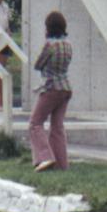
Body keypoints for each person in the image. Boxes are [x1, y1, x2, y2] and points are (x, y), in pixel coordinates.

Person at [29, 10, 73, 170]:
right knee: (57, 127)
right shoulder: (68, 45)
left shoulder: (50, 45)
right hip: (66, 87)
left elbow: (38, 64)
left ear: (49, 27)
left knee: (35, 123)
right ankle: (62, 164)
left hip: (51, 87)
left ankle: (45, 157)